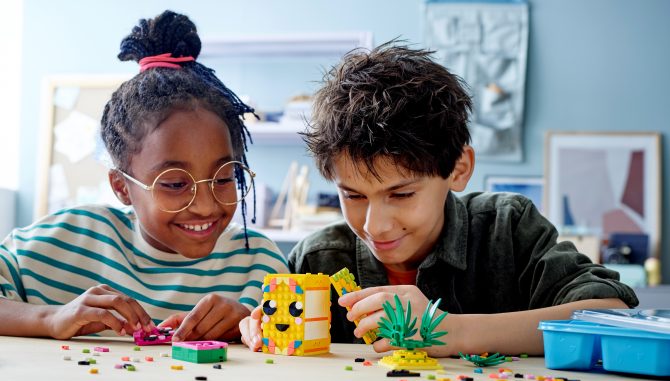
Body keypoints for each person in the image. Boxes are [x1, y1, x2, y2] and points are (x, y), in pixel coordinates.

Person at [240, 43, 637, 356]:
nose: (374, 226)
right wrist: (255, 327)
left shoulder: (508, 229)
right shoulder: (319, 261)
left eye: (402, 194)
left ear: (459, 169)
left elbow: (610, 315)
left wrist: (449, 330)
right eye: (353, 195)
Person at [0, 11, 288, 342]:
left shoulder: (259, 265)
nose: (206, 206)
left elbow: (299, 347)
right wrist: (49, 317)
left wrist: (254, 327)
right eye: (176, 184)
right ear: (121, 186)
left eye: (224, 178)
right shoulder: (62, 241)